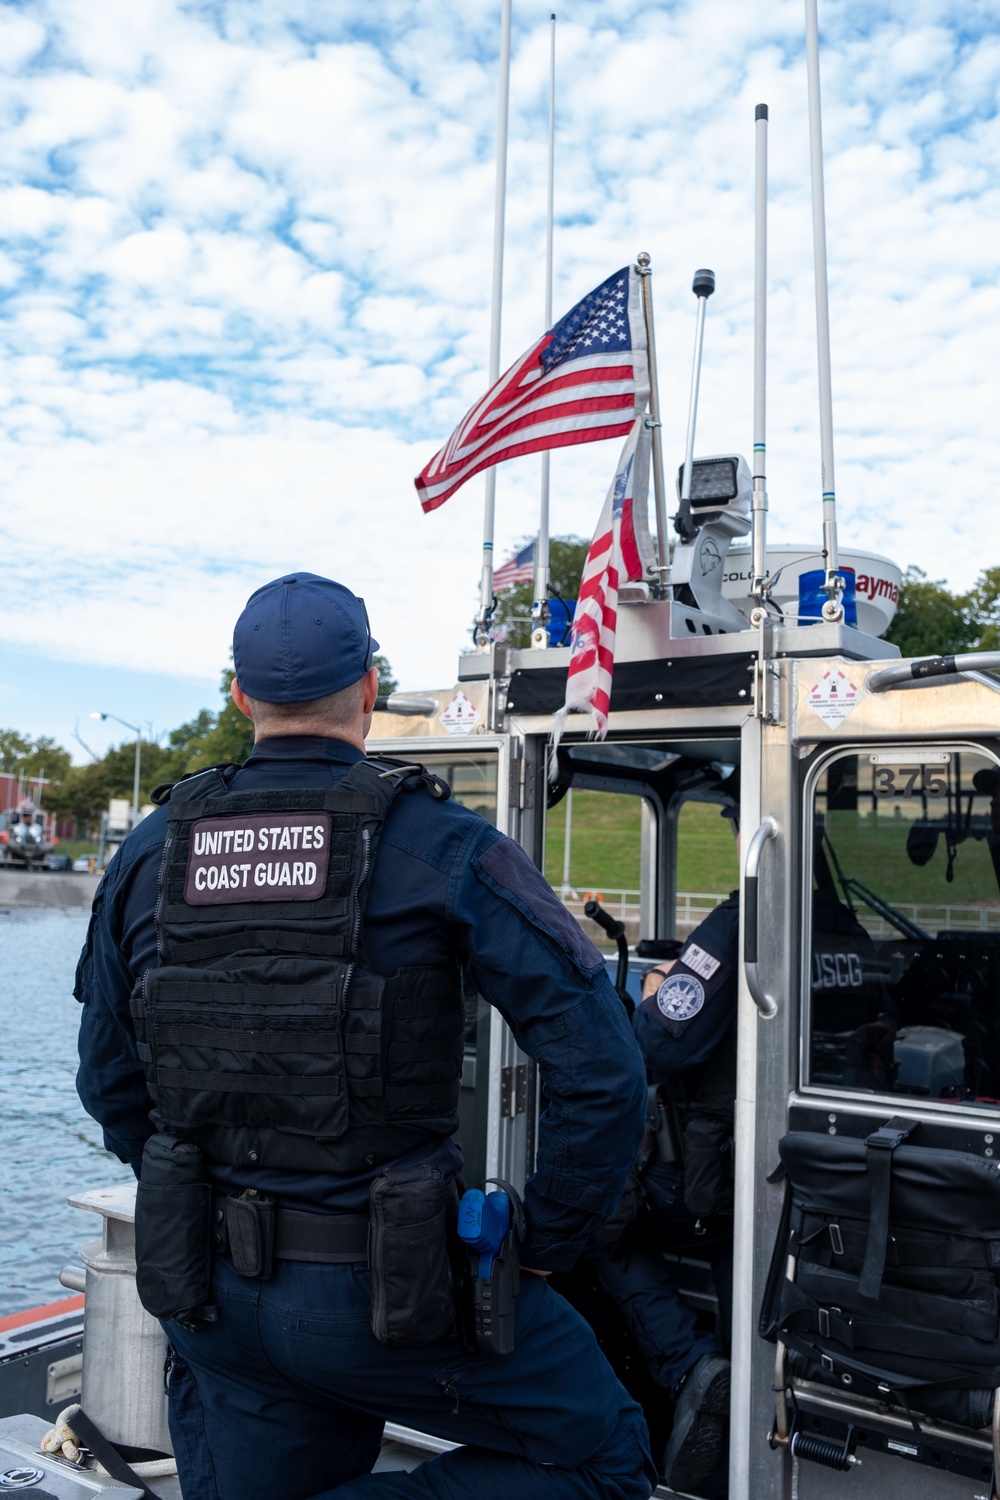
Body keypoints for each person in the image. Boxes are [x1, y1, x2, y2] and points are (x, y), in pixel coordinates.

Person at [74, 572, 655, 1500]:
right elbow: (606, 1072)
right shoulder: (443, 844)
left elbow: (108, 1080)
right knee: (604, 1458)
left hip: (207, 1294)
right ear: (372, 688)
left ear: (240, 697)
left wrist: (199, 1197)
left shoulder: (151, 852)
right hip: (393, 1297)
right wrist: (542, 1239)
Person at [588, 806, 740, 1496]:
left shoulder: (741, 920)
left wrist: (654, 988)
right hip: (765, 1180)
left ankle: (689, 1370)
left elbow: (653, 1042)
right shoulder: (827, 913)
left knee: (600, 1223)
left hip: (713, 1183)